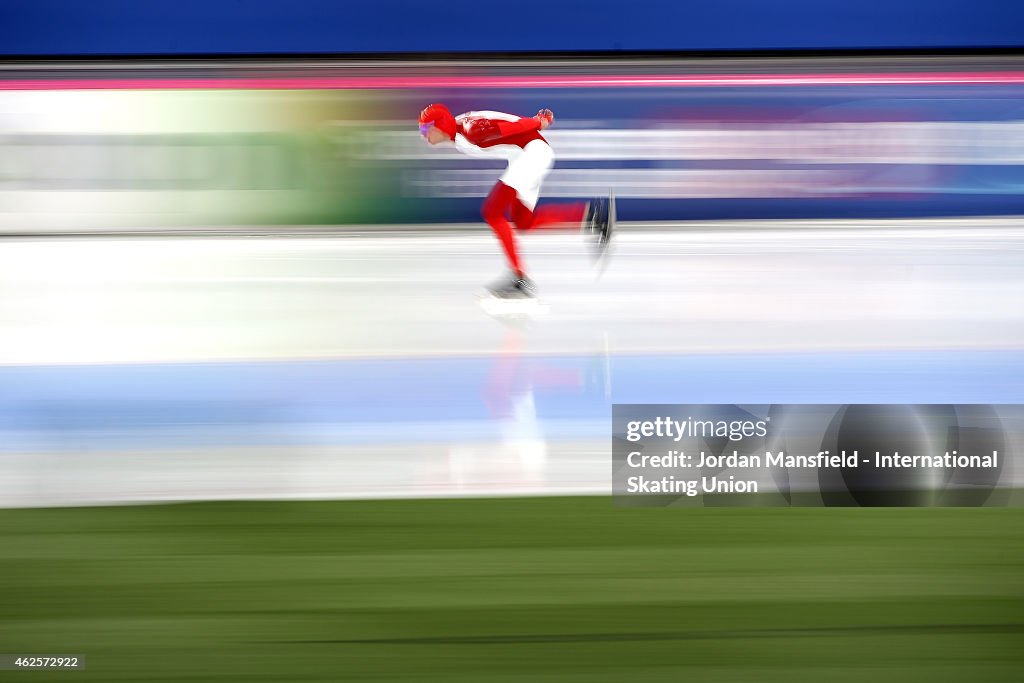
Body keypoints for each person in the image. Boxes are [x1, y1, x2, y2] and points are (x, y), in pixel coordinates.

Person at [418, 103, 612, 299]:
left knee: (492, 211)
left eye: (425, 128)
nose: (423, 134)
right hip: (525, 156)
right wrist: (537, 121)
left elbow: (513, 126)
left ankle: (519, 279)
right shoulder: (459, 129)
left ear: (439, 126)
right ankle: (593, 216)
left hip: (532, 154)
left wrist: (538, 121)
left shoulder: (471, 131)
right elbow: (500, 119)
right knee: (523, 222)